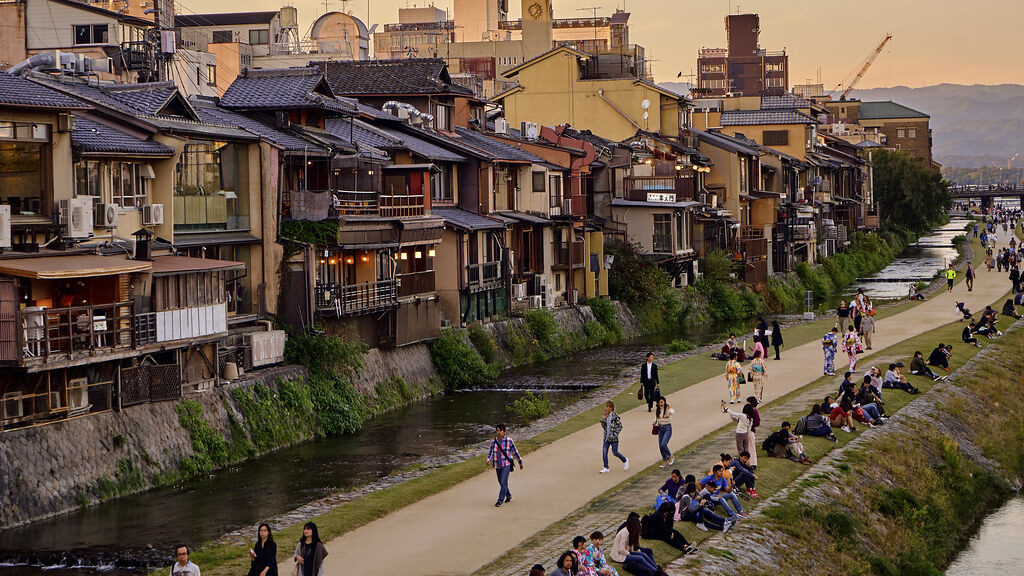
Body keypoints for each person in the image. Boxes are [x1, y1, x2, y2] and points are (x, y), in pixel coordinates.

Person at [486, 423, 524, 507]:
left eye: (500, 430)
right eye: (497, 430)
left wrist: (520, 462)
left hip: (506, 464)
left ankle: (500, 500)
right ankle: (509, 495)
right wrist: (488, 459)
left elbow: (515, 452)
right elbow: (491, 452)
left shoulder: (509, 440)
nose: (499, 432)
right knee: (501, 482)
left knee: (503, 482)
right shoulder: (493, 442)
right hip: (497, 464)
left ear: (504, 431)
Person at [722, 401, 755, 469]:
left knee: (740, 449)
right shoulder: (751, 419)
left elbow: (733, 413)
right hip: (745, 433)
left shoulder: (743, 416)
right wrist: (737, 421)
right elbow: (748, 427)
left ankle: (742, 463)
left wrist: (725, 407)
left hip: (739, 433)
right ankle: (746, 462)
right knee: (746, 449)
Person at [600, 400, 628, 473]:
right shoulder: (605, 416)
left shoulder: (615, 416)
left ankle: (625, 460)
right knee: (604, 452)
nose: (607, 409)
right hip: (606, 438)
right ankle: (606, 467)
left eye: (608, 408)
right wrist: (603, 420)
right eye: (606, 408)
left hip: (614, 438)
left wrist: (615, 433)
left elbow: (620, 426)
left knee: (615, 452)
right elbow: (604, 426)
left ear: (612, 408)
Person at [654, 396, 674, 467]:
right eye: (659, 402)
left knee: (663, 444)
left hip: (667, 428)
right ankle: (665, 461)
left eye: (662, 402)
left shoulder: (668, 408)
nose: (660, 404)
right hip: (660, 428)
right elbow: (656, 417)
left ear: (664, 402)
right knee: (660, 446)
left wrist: (669, 413)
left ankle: (670, 456)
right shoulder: (658, 409)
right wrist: (655, 422)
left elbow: (672, 411)